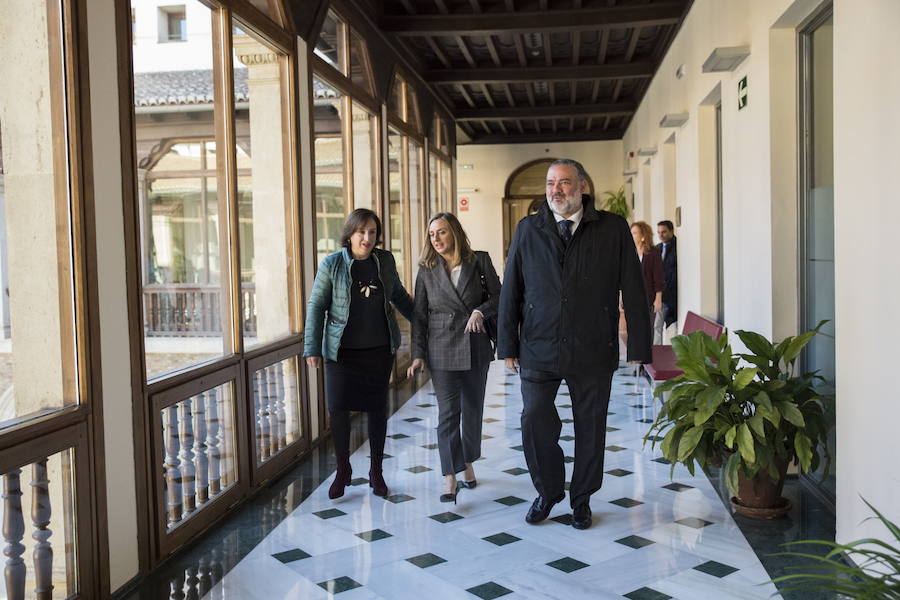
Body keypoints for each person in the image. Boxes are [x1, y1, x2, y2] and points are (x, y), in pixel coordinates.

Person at [498, 159, 651, 530]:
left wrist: (640, 349)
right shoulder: (527, 229)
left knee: (591, 426)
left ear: (582, 186)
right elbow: (511, 290)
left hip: (592, 346)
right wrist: (507, 345)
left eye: (564, 182)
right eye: (551, 183)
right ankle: (548, 491)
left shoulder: (612, 228)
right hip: (538, 344)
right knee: (534, 419)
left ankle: (581, 500)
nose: (556, 190)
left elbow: (633, 286)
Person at [304, 208, 414, 500]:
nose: (367, 238)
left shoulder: (385, 260)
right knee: (338, 410)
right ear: (350, 233)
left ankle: (376, 472)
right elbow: (316, 305)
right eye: (361, 231)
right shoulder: (332, 264)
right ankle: (343, 470)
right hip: (340, 353)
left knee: (377, 411)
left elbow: (399, 295)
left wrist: (425, 322)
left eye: (372, 232)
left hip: (379, 351)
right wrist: (311, 347)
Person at [407, 213, 501, 504]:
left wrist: (480, 311)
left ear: (455, 233)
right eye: (432, 234)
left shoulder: (479, 261)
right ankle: (450, 476)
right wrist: (417, 354)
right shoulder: (426, 269)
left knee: (472, 410)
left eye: (442, 232)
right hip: (441, 347)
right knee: (448, 414)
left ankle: (468, 462)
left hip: (475, 345)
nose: (436, 239)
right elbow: (419, 316)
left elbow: (500, 297)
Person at [631, 221, 664, 344]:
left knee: (648, 329)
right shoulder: (630, 252)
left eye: (634, 233)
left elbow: (658, 277)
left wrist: (658, 298)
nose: (631, 235)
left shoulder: (653, 253)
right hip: (633, 298)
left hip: (649, 298)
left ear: (643, 235)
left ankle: (646, 360)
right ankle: (638, 357)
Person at [656, 220, 678, 339]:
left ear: (671, 231)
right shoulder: (657, 248)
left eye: (664, 232)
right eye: (659, 232)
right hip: (660, 293)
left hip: (672, 293)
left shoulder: (678, 246)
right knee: (657, 325)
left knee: (671, 323)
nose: (661, 235)